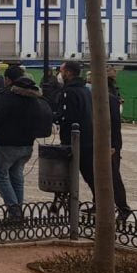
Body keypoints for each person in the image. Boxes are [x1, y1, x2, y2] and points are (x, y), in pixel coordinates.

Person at [0, 65, 44, 223]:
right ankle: (18, 210)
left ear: (8, 79)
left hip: (8, 142)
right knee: (16, 176)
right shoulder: (33, 94)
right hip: (27, 143)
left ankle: (14, 211)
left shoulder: (9, 94)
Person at [57, 61, 93, 197]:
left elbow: (68, 115)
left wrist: (57, 118)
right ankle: (97, 202)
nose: (60, 75)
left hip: (73, 139)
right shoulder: (85, 90)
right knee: (89, 172)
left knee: (67, 172)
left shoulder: (69, 91)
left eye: (61, 71)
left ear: (68, 72)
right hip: (87, 137)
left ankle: (67, 201)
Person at [107, 68, 131, 221]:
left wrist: (113, 145)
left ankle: (123, 207)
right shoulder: (111, 95)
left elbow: (115, 124)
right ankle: (103, 205)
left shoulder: (110, 98)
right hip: (106, 142)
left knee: (113, 175)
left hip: (110, 143)